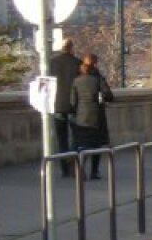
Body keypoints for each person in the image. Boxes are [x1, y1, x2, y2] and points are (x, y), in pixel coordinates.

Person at [69, 53, 113, 180]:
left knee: (82, 144)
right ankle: (94, 171)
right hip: (96, 116)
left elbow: (72, 101)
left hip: (81, 117)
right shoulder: (97, 79)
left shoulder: (76, 81)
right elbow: (109, 95)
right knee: (96, 144)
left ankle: (79, 168)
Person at [48, 38, 81, 177]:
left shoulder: (52, 63)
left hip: (58, 105)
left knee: (62, 138)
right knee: (76, 137)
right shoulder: (77, 63)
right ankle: (74, 165)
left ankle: (64, 168)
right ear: (71, 48)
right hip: (73, 105)